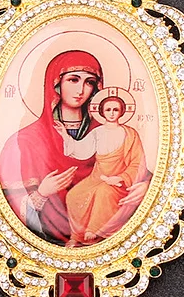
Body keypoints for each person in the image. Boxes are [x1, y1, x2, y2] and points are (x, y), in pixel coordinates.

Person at [0, 50, 103, 245]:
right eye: (73, 80)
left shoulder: (109, 136)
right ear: (56, 84)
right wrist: (41, 194)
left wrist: (140, 187)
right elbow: (4, 206)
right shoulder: (25, 141)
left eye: (89, 82)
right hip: (43, 241)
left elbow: (133, 174)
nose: (81, 90)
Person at [61, 95, 150, 246]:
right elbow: (82, 149)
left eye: (116, 109)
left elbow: (138, 162)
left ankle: (95, 231)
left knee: (104, 192)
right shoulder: (98, 132)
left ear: (121, 112)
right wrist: (65, 135)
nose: (112, 113)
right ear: (102, 112)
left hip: (119, 182)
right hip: (97, 177)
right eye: (108, 110)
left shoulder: (130, 134)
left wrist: (121, 177)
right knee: (73, 195)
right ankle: (77, 236)